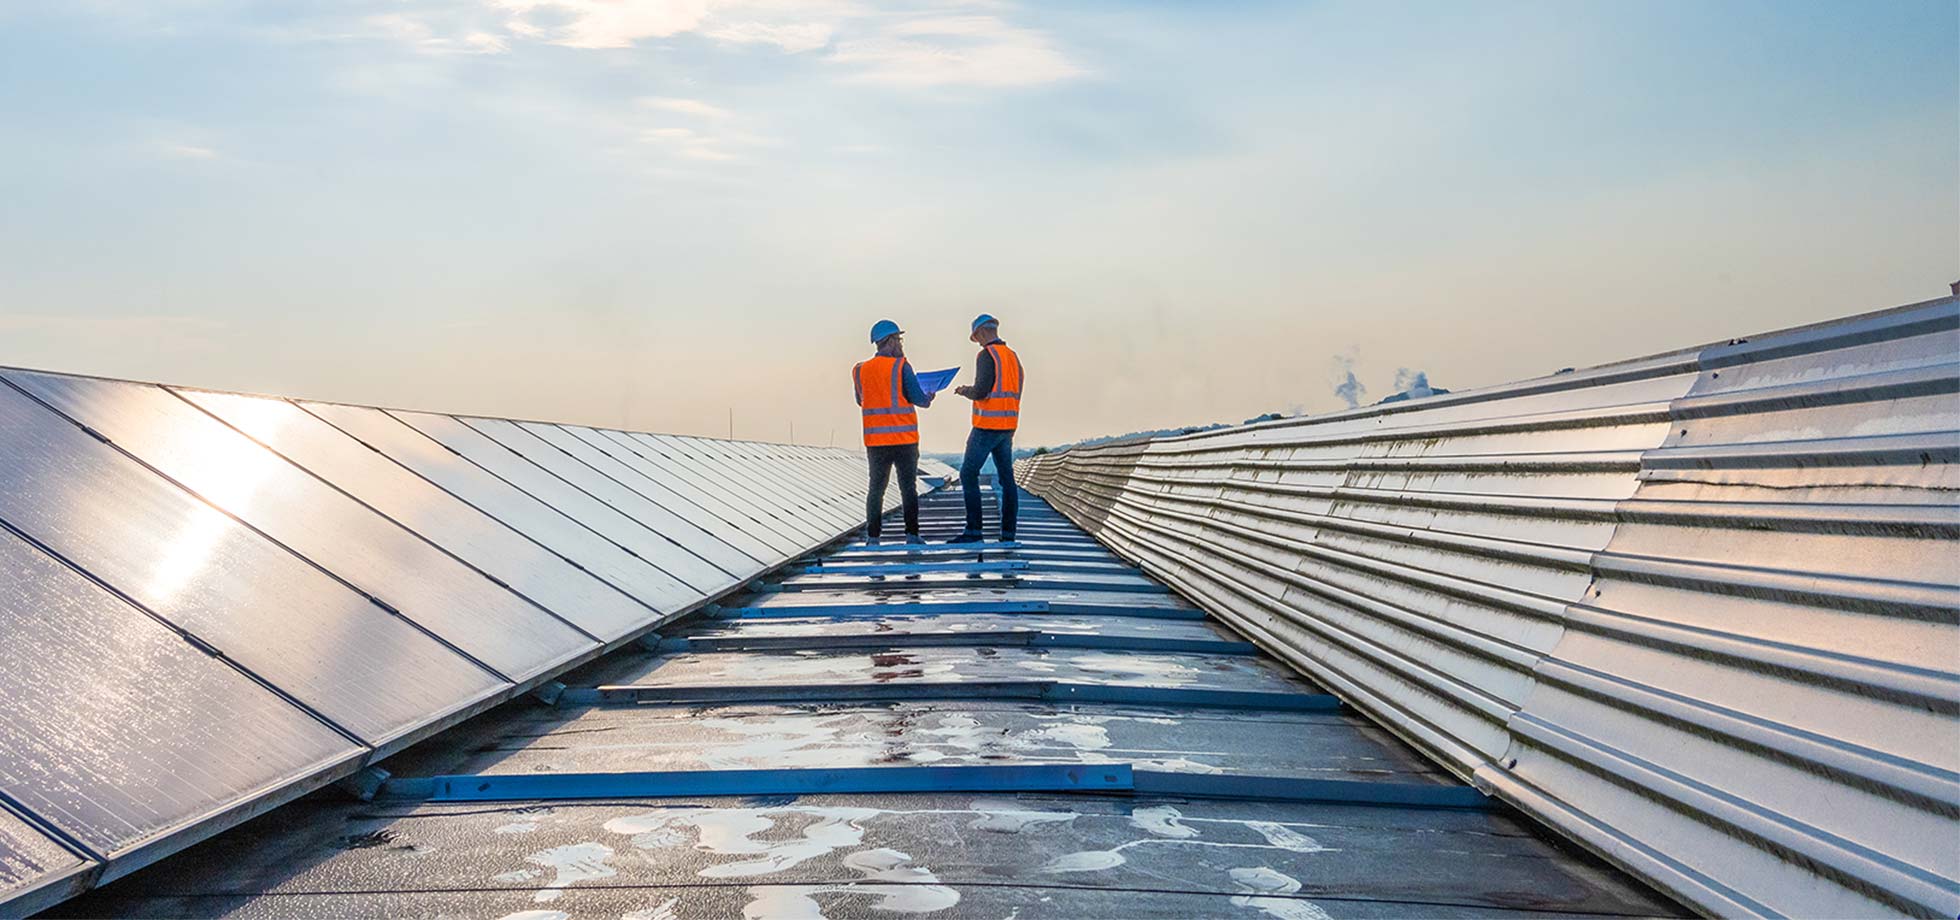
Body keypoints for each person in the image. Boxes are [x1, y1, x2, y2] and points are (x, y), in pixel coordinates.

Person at [854, 319, 934, 543]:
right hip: (904, 439)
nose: (900, 344)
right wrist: (928, 396)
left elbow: (861, 401)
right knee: (908, 488)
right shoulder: (902, 366)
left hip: (875, 441)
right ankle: (912, 534)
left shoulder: (860, 370)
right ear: (888, 342)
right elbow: (919, 400)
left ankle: (873, 537)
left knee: (876, 489)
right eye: (898, 339)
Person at [947, 313, 1022, 543]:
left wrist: (963, 390)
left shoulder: (986, 355)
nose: (977, 341)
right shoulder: (1012, 357)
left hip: (987, 425)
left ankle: (973, 531)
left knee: (968, 473)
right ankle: (1008, 534)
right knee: (1007, 479)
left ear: (981, 333)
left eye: (977, 337)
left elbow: (981, 390)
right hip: (1007, 426)